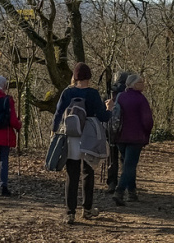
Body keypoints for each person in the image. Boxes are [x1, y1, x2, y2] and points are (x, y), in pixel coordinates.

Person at [52, 62, 113, 224]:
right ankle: (87, 209)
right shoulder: (93, 94)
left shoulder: (67, 92)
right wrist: (110, 109)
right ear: (89, 76)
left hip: (71, 136)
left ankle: (70, 212)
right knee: (88, 172)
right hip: (89, 136)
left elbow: (58, 113)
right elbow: (103, 117)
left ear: (75, 76)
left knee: (71, 175)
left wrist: (54, 130)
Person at [111, 73, 154, 206]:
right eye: (141, 82)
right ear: (135, 85)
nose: (144, 84)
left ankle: (132, 192)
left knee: (127, 164)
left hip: (120, 138)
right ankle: (119, 191)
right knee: (129, 166)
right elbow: (147, 121)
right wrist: (146, 133)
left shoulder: (120, 97)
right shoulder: (141, 99)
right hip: (136, 138)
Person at [105, 70, 131, 193]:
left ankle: (112, 183)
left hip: (111, 132)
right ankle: (125, 184)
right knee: (125, 159)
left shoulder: (110, 93)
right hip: (125, 132)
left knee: (112, 158)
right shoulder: (129, 94)